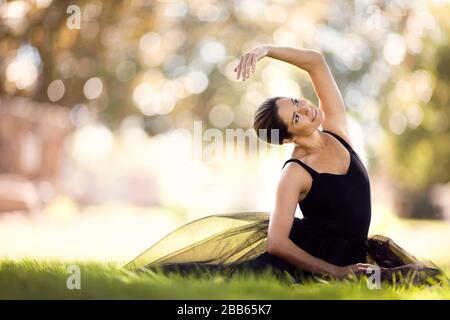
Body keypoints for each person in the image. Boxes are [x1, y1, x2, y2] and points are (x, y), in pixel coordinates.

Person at [124, 45, 446, 285]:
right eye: (296, 117)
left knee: (426, 274)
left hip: (354, 254)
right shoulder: (295, 173)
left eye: (296, 102)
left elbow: (316, 62)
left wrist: (266, 50)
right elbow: (276, 243)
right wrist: (336, 271)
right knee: (213, 277)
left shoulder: (336, 128)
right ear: (287, 139)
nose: (306, 109)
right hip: (320, 263)